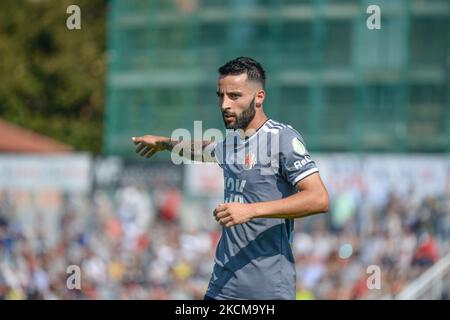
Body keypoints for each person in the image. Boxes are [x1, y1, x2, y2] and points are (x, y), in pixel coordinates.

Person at [132, 57, 329, 300]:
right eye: (221, 96)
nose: (225, 104)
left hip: (266, 291)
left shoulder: (282, 139)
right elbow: (204, 150)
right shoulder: (233, 141)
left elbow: (319, 198)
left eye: (234, 96)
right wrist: (164, 143)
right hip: (222, 286)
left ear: (259, 97)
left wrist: (251, 211)